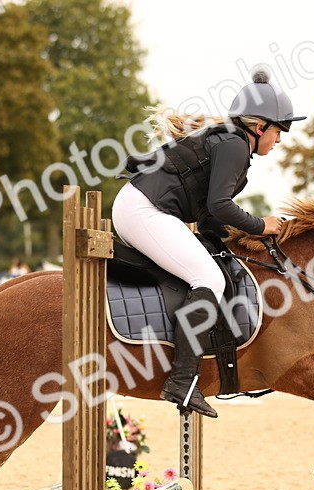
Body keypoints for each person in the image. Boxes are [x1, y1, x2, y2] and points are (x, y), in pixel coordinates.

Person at [112, 68, 303, 417]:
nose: (279, 140)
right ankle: (182, 381)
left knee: (211, 266)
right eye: (278, 131)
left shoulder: (231, 143)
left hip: (145, 208)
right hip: (145, 210)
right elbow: (220, 205)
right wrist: (261, 225)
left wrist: (243, 241)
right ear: (259, 127)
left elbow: (210, 219)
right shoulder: (232, 144)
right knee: (209, 279)